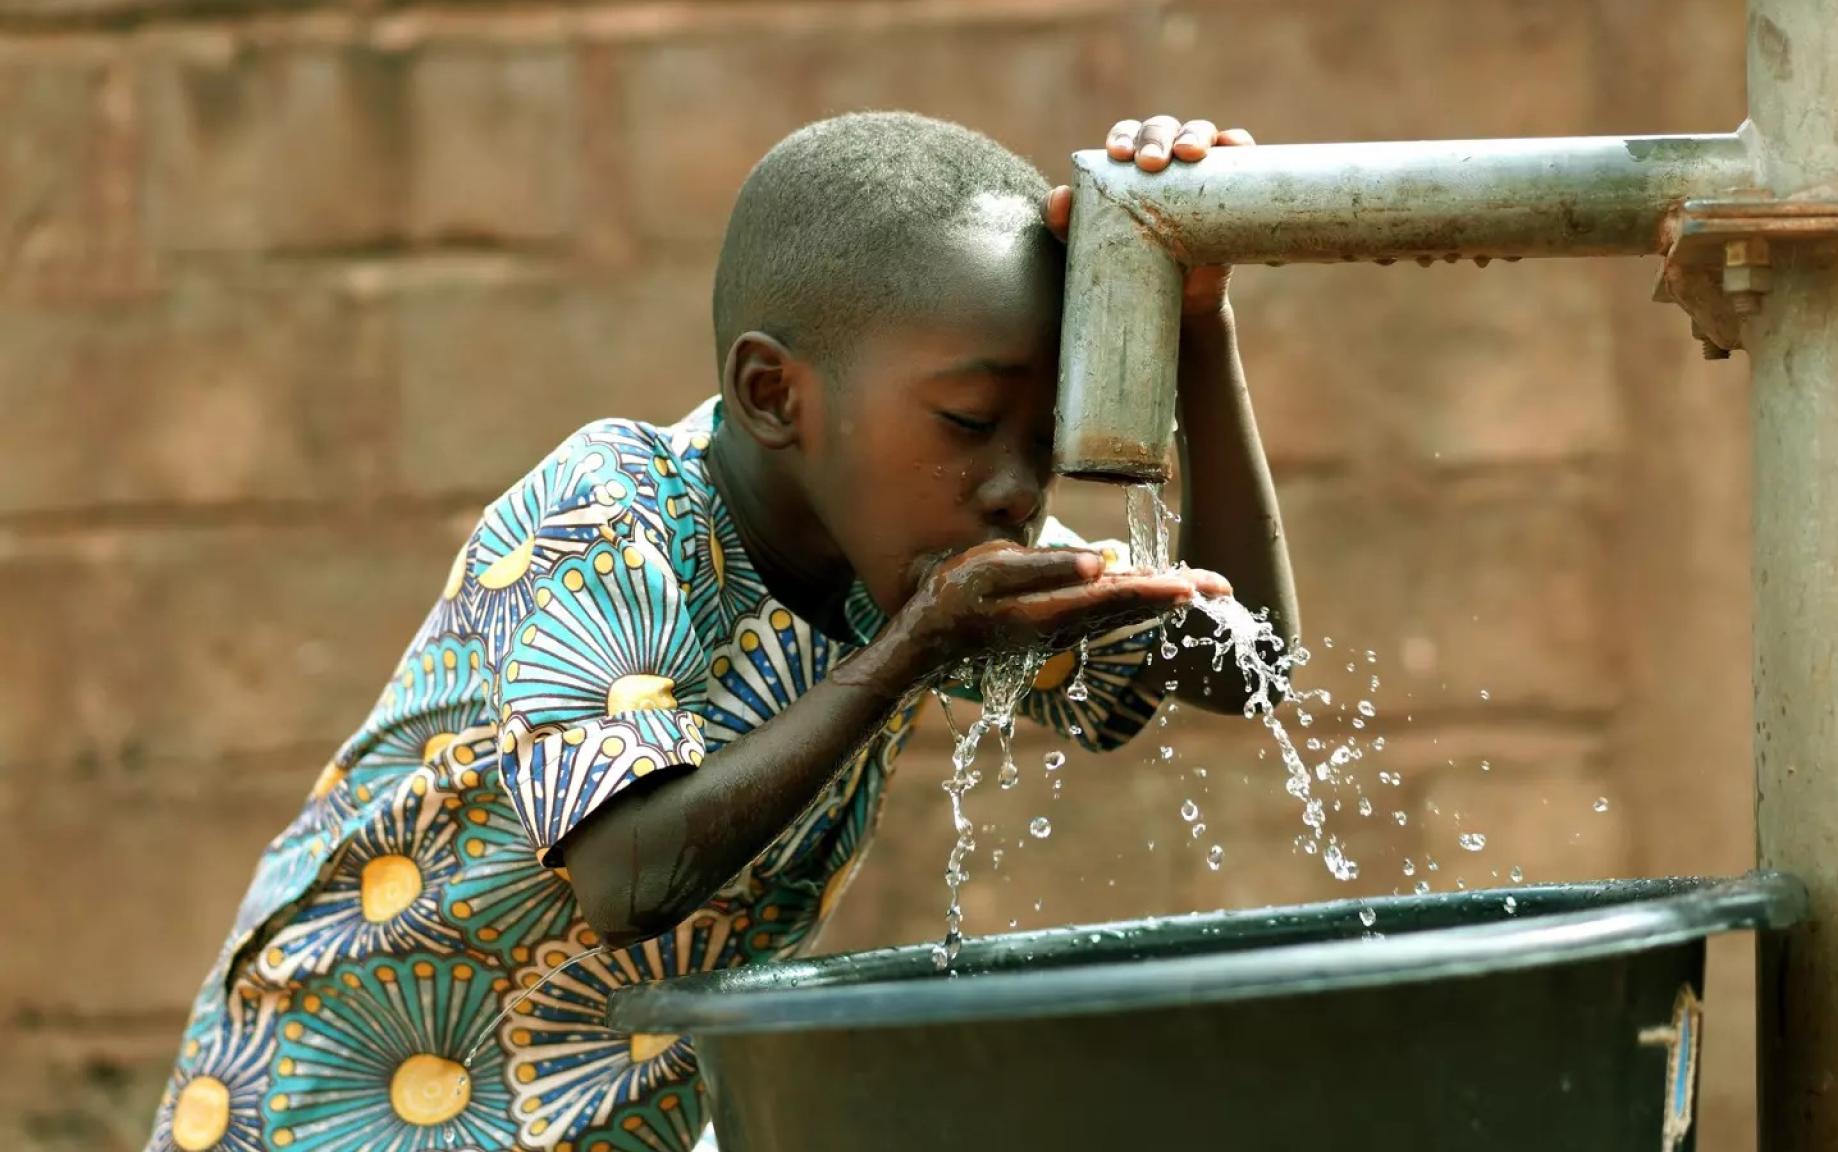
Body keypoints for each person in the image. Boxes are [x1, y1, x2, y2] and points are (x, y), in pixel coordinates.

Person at [147, 110, 1297, 1152]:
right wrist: (909, 658)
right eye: (967, 420)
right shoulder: (610, 514)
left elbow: (1245, 667)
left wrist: (1195, 323)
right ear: (772, 393)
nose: (1012, 487)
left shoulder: (912, 556)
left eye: (1041, 437)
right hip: (318, 1110)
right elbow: (629, 877)